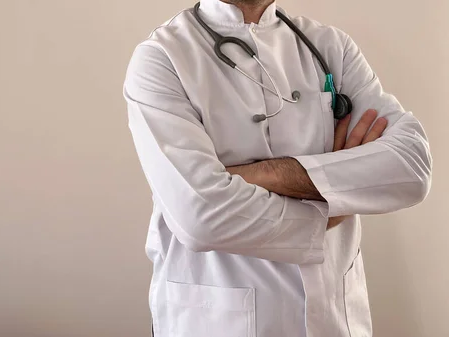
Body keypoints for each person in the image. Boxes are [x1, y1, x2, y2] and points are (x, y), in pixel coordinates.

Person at [123, 0, 433, 336]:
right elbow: (203, 216)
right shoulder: (162, 57)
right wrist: (336, 200)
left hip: (333, 320)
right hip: (217, 322)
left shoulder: (331, 48)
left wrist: (260, 174)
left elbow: (411, 165)